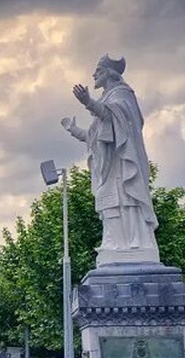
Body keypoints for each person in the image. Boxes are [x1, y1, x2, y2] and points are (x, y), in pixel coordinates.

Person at [61, 54, 159, 265]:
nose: (94, 74)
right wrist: (73, 129)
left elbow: (115, 117)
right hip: (108, 165)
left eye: (98, 70)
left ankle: (135, 243)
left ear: (109, 73)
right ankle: (114, 243)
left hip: (123, 162)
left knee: (127, 198)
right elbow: (93, 137)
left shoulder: (122, 94)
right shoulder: (107, 99)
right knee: (109, 202)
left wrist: (88, 103)